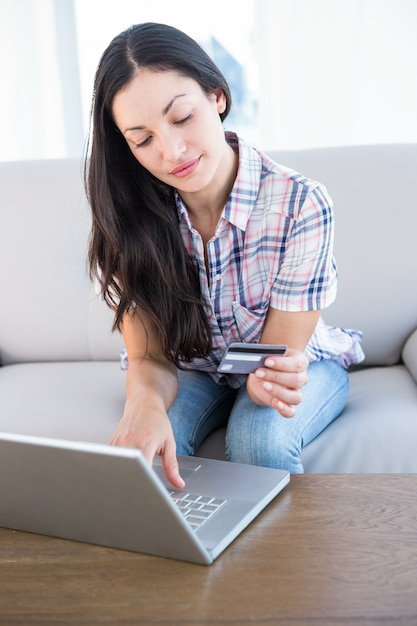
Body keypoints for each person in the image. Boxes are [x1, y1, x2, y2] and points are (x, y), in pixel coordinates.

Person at [85, 22, 364, 488]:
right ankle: (183, 558)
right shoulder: (128, 217)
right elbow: (151, 358)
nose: (172, 151)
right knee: (151, 450)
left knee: (260, 441)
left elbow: (277, 358)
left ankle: (284, 563)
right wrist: (146, 404)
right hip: (195, 368)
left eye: (181, 117)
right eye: (143, 139)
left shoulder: (301, 204)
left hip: (292, 364)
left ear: (217, 96)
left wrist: (263, 380)